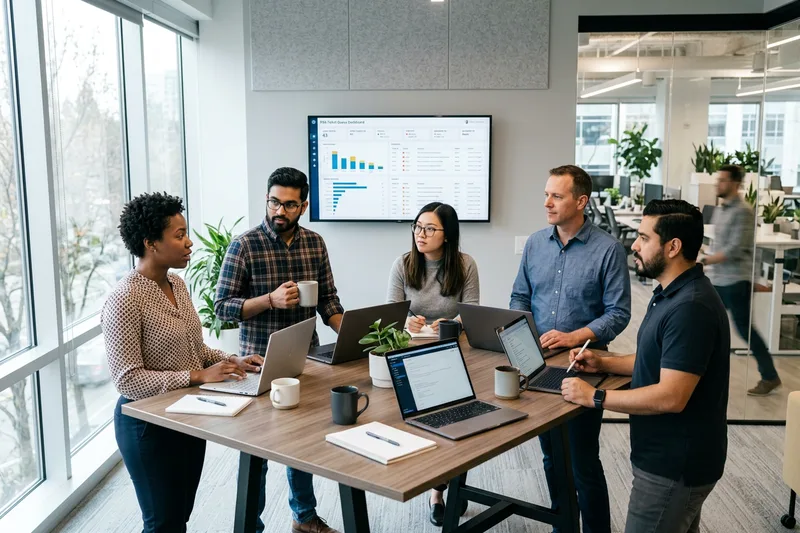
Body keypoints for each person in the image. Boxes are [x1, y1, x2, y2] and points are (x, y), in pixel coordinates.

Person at [562, 199, 730, 533]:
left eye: (643, 238)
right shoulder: (671, 293)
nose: (634, 245)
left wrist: (595, 397)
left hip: (674, 466)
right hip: (670, 458)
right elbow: (660, 361)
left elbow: (671, 395)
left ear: (673, 247)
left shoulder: (690, 308)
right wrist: (602, 360)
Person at [102, 193, 263, 533]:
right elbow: (127, 380)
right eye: (179, 235)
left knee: (179, 518)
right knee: (162, 523)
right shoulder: (124, 298)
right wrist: (197, 376)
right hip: (146, 426)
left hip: (188, 417)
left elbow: (196, 349)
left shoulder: (177, 283)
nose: (189, 242)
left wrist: (233, 360)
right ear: (150, 243)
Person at [215, 167, 343, 533]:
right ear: (266, 200)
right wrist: (269, 300)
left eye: (289, 204)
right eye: (274, 202)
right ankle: (251, 526)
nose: (279, 211)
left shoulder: (315, 243)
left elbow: (329, 301)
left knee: (301, 444)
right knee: (256, 453)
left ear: (303, 205)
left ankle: (303, 517)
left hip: (306, 359)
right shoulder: (244, 245)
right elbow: (222, 307)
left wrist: (350, 333)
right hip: (257, 364)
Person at [510, 165, 631, 533]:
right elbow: (520, 296)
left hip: (584, 364)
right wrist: (520, 335)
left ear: (581, 201)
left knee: (582, 459)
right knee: (551, 456)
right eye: (546, 194)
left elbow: (619, 313)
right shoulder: (534, 244)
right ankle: (564, 524)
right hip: (536, 362)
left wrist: (574, 336)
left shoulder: (608, 249)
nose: (547, 203)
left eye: (556, 196)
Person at [386, 201, 479, 526]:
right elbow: (392, 311)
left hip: (453, 349)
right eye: (417, 227)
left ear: (447, 235)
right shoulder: (403, 263)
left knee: (459, 420)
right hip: (413, 352)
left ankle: (454, 480)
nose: (420, 234)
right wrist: (407, 321)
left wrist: (451, 322)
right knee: (424, 420)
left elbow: (472, 310)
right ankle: (436, 490)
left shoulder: (465, 264)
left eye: (429, 228)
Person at [699, 164, 781, 396]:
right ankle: (699, 373)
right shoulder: (722, 209)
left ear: (736, 184)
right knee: (705, 325)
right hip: (719, 279)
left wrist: (705, 261)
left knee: (745, 331)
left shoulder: (743, 211)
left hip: (736, 281)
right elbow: (720, 243)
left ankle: (770, 376)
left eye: (723, 180)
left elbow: (736, 248)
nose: (718, 184)